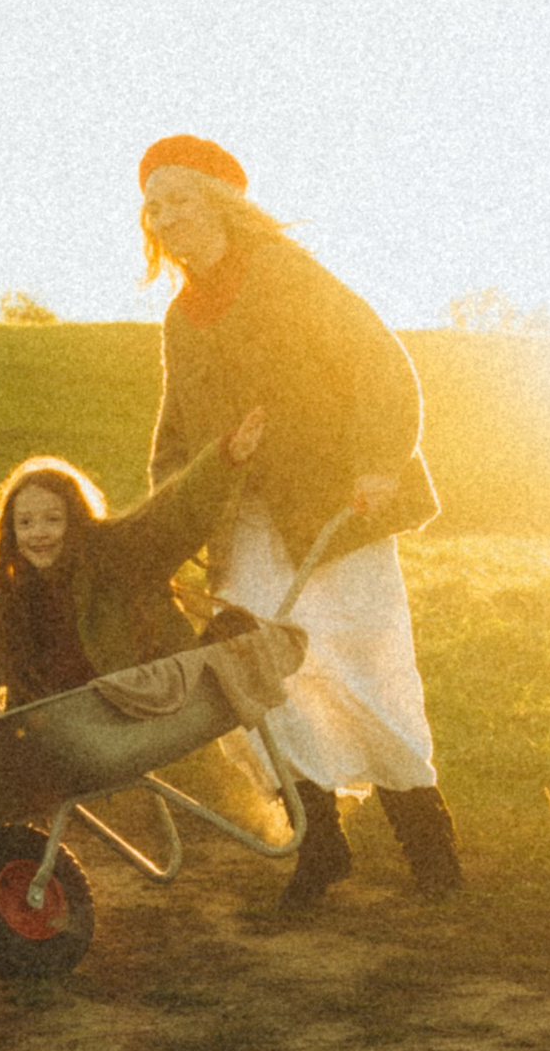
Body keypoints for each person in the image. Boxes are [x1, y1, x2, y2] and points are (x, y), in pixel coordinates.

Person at [139, 135, 461, 914]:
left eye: (178, 196)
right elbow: (176, 433)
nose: (162, 213)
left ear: (220, 202)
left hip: (330, 511)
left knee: (361, 668)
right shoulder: (182, 317)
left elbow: (381, 365)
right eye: (152, 202)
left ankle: (431, 852)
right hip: (240, 526)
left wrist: (379, 460)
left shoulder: (286, 275)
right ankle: (321, 844)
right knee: (252, 678)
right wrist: (167, 528)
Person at [0, 407, 267, 751]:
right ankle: (21, 851)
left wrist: (227, 456)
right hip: (69, 733)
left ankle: (225, 648)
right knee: (12, 751)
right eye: (25, 523)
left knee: (225, 641)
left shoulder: (119, 556)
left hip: (145, 708)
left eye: (52, 519)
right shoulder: (16, 605)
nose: (39, 533)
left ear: (75, 520)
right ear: (11, 534)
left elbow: (177, 513)